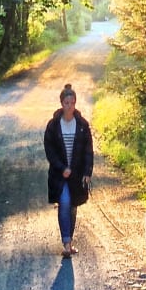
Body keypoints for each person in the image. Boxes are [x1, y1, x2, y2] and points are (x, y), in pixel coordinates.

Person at [44, 82, 94, 257]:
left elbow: (88, 150)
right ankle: (66, 243)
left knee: (73, 207)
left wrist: (87, 172)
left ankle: (69, 241)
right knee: (64, 202)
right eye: (67, 103)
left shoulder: (82, 124)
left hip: (77, 174)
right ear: (61, 103)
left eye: (72, 103)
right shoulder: (53, 125)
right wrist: (61, 167)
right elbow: (49, 150)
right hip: (59, 175)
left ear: (75, 103)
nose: (70, 106)